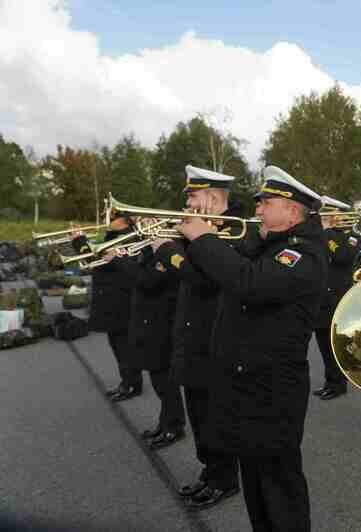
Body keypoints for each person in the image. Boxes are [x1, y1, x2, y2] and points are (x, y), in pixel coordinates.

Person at [177, 166, 327, 532]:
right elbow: (210, 273)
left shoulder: (302, 254)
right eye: (259, 203)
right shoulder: (265, 244)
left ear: (293, 211)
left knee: (280, 489)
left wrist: (203, 240)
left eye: (267, 203)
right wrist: (197, 237)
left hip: (273, 391)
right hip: (245, 385)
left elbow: (249, 283)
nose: (257, 210)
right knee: (257, 490)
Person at [150, 166, 241, 509]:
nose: (186, 200)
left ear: (214, 198)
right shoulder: (199, 229)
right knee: (199, 413)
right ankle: (210, 470)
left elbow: (203, 280)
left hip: (214, 337)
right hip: (192, 332)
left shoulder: (231, 231)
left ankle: (224, 478)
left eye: (192, 195)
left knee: (214, 416)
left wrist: (167, 250)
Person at [109, 221, 185, 450]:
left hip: (162, 323)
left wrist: (118, 260)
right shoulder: (151, 248)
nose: (145, 228)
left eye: (150, 223)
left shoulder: (170, 248)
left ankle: (174, 426)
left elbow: (147, 280)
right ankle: (165, 422)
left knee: (164, 381)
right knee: (157, 376)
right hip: (148, 321)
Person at [71, 215, 143, 401]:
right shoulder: (114, 236)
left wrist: (80, 241)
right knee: (118, 344)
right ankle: (127, 382)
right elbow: (94, 259)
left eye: (113, 217)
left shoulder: (127, 238)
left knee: (124, 346)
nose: (107, 219)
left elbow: (99, 258)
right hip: (112, 300)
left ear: (125, 221)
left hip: (121, 301)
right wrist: (80, 242)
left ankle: (131, 384)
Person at [312, 195, 359, 400]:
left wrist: (327, 232)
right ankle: (330, 382)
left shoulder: (351, 236)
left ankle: (339, 384)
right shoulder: (324, 234)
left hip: (338, 297)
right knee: (323, 343)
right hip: (322, 296)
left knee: (333, 345)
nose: (328, 218)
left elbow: (342, 256)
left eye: (331, 214)